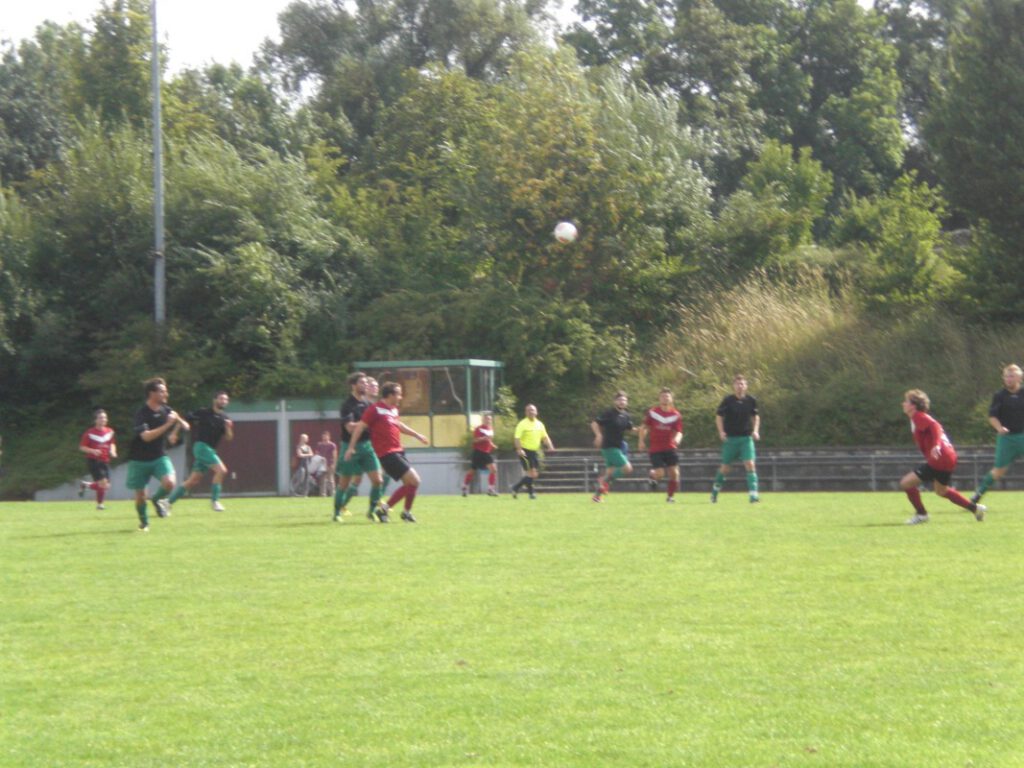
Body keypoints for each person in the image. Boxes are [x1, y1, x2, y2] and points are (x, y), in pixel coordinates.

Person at [345, 381, 429, 522]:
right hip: (387, 453)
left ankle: (399, 512)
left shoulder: (393, 409)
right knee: (415, 480)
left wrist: (417, 435)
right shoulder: (374, 409)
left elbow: (399, 425)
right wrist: (350, 447)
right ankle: (390, 510)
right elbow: (359, 428)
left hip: (398, 451)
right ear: (390, 395)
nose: (401, 397)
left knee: (410, 484)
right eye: (399, 394)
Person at [900, 389, 985, 525]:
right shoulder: (917, 418)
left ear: (913, 406)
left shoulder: (918, 416)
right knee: (941, 491)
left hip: (940, 457)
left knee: (906, 483)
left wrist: (936, 445)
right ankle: (975, 509)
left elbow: (936, 426)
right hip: (948, 457)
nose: (903, 404)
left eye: (906, 401)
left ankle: (921, 514)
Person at [126, 378, 189, 532]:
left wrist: (175, 431)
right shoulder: (141, 413)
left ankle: (156, 499)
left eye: (165, 391)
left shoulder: (166, 409)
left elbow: (184, 424)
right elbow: (146, 437)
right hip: (139, 460)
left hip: (159, 456)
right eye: (162, 391)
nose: (166, 394)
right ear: (151, 393)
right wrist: (168, 425)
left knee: (170, 483)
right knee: (141, 496)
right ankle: (144, 523)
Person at [166, 390, 234, 512]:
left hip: (210, 450)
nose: (223, 401)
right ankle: (215, 501)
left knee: (193, 481)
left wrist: (228, 428)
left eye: (226, 399)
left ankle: (167, 502)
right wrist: (174, 433)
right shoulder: (203, 412)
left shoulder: (225, 418)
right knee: (222, 470)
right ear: (215, 400)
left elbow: (229, 438)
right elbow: (184, 419)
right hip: (201, 447)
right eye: (221, 398)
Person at [333, 371, 386, 523]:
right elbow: (350, 428)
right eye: (362, 383)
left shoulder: (368, 404)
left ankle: (371, 511)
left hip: (367, 446)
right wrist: (365, 424)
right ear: (353, 385)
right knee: (344, 483)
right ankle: (336, 513)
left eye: (366, 383)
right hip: (350, 447)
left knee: (378, 480)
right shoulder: (347, 405)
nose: (365, 385)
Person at [971, 364, 1024, 506]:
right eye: (1006, 376)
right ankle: (977, 495)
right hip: (1007, 439)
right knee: (999, 470)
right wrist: (999, 428)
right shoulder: (999, 396)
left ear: (1020, 378)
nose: (1008, 379)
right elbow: (992, 416)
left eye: (1011, 376)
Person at [711, 374, 761, 504]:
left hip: (746, 439)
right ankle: (715, 491)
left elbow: (755, 416)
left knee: (750, 464)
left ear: (746, 386)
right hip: (731, 439)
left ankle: (753, 495)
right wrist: (721, 432)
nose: (740, 386)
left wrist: (755, 430)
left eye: (742, 384)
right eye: (738, 384)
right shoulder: (728, 400)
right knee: (725, 468)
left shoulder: (751, 400)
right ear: (734, 386)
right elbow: (719, 416)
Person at [637, 387, 684, 503]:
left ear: (671, 399)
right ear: (659, 399)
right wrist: (641, 441)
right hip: (656, 448)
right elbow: (644, 427)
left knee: (674, 473)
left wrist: (677, 438)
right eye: (663, 396)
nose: (665, 398)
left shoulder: (676, 415)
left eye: (667, 396)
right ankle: (652, 475)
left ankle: (670, 497)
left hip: (670, 447)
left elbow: (679, 431)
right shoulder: (653, 412)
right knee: (660, 474)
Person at [591, 391, 637, 502]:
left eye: (624, 400)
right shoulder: (609, 413)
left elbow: (631, 429)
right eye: (620, 400)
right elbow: (594, 423)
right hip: (609, 447)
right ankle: (603, 481)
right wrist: (598, 435)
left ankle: (597, 496)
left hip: (617, 447)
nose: (622, 402)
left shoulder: (626, 415)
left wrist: (643, 429)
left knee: (610, 474)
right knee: (627, 468)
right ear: (615, 401)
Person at [510, 404, 555, 500]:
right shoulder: (522, 424)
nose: (531, 412)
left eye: (532, 410)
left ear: (536, 412)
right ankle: (530, 493)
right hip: (525, 451)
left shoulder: (540, 424)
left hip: (534, 452)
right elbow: (517, 438)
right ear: (526, 412)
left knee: (533, 474)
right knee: (532, 473)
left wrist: (550, 446)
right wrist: (519, 449)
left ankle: (516, 488)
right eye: (529, 410)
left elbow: (545, 437)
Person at [78, 408, 117, 509]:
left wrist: (113, 451)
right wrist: (92, 451)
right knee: (103, 483)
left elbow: (112, 443)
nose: (103, 419)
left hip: (105, 461)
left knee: (106, 485)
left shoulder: (110, 431)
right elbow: (82, 447)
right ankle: (100, 505)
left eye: (105, 417)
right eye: (100, 418)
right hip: (93, 461)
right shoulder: (89, 433)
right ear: (95, 420)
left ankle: (86, 485)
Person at [462, 412, 499, 497]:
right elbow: (475, 440)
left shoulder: (490, 429)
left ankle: (491, 489)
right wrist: (483, 438)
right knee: (472, 471)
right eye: (486, 419)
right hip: (478, 452)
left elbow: (489, 440)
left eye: (489, 419)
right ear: (483, 419)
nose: (488, 420)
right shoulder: (479, 429)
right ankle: (464, 487)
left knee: (493, 470)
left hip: (486, 453)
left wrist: (492, 445)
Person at [315, 430, 338, 497]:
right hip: (322, 465)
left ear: (329, 437)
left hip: (330, 464)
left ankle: (332, 493)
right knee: (322, 480)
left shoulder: (332, 445)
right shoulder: (319, 445)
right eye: (323, 436)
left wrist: (334, 464)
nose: (324, 438)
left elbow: (335, 455)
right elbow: (317, 454)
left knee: (330, 479)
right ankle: (323, 494)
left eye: (326, 436)